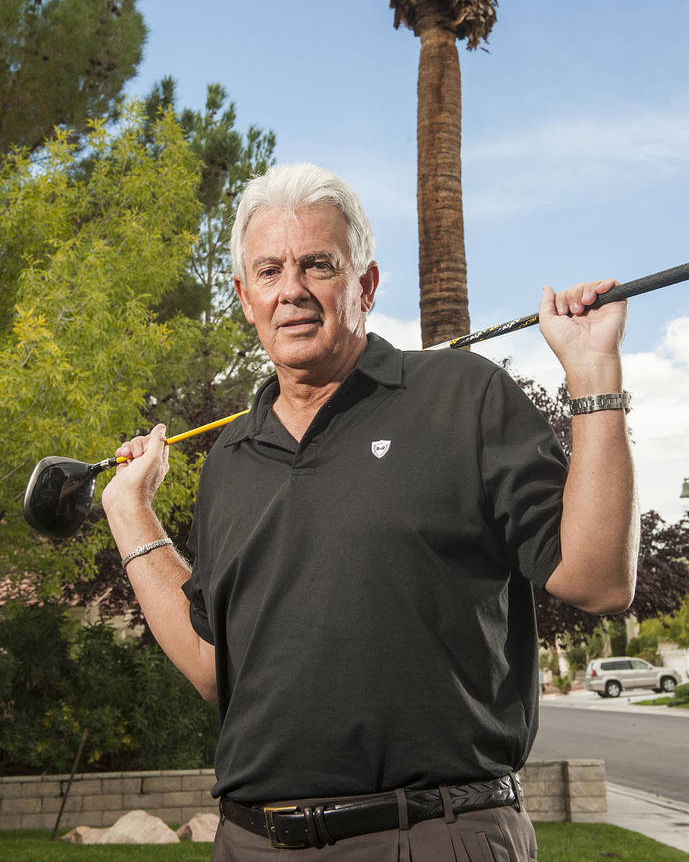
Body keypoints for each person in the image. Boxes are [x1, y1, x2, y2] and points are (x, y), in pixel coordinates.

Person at [102, 163, 637, 860]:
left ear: (365, 284)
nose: (290, 289)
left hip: (432, 834)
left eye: (316, 264)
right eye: (267, 271)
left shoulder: (461, 395)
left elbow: (597, 580)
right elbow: (212, 667)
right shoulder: (230, 458)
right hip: (249, 841)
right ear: (244, 296)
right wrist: (129, 511)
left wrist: (593, 375)